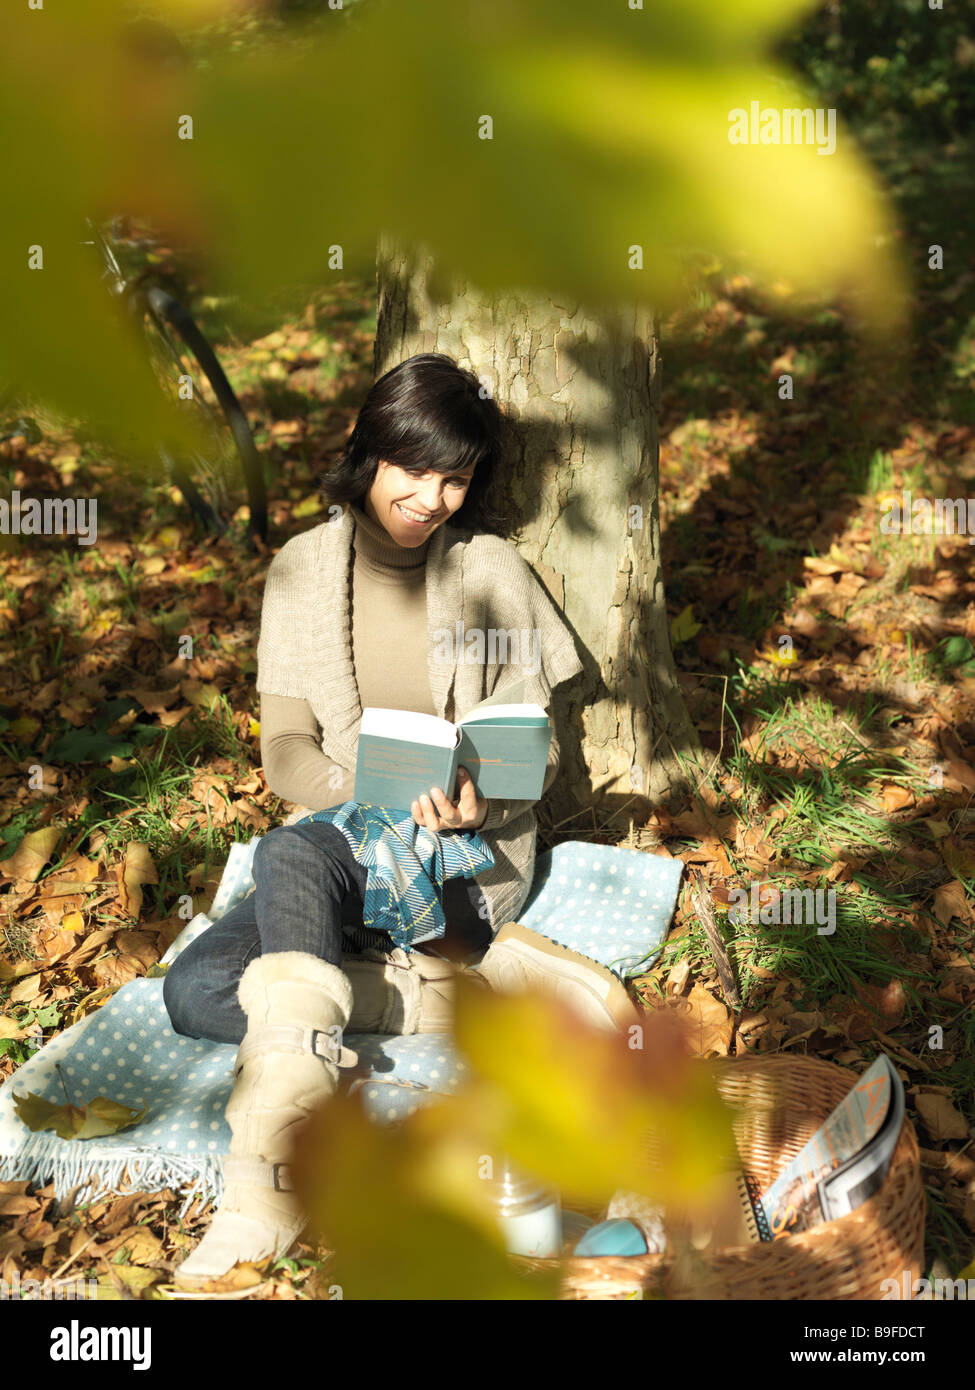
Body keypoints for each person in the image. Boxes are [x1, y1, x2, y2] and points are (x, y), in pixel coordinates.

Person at [165, 352, 630, 1286]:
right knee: (197, 989)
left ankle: (266, 1187)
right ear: (368, 456)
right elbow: (285, 753)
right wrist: (366, 786)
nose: (431, 496)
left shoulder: (490, 569)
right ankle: (456, 995)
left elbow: (530, 750)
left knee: (288, 856)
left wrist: (477, 798)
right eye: (412, 468)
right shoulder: (299, 570)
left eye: (454, 476)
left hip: (461, 862)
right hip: (346, 851)